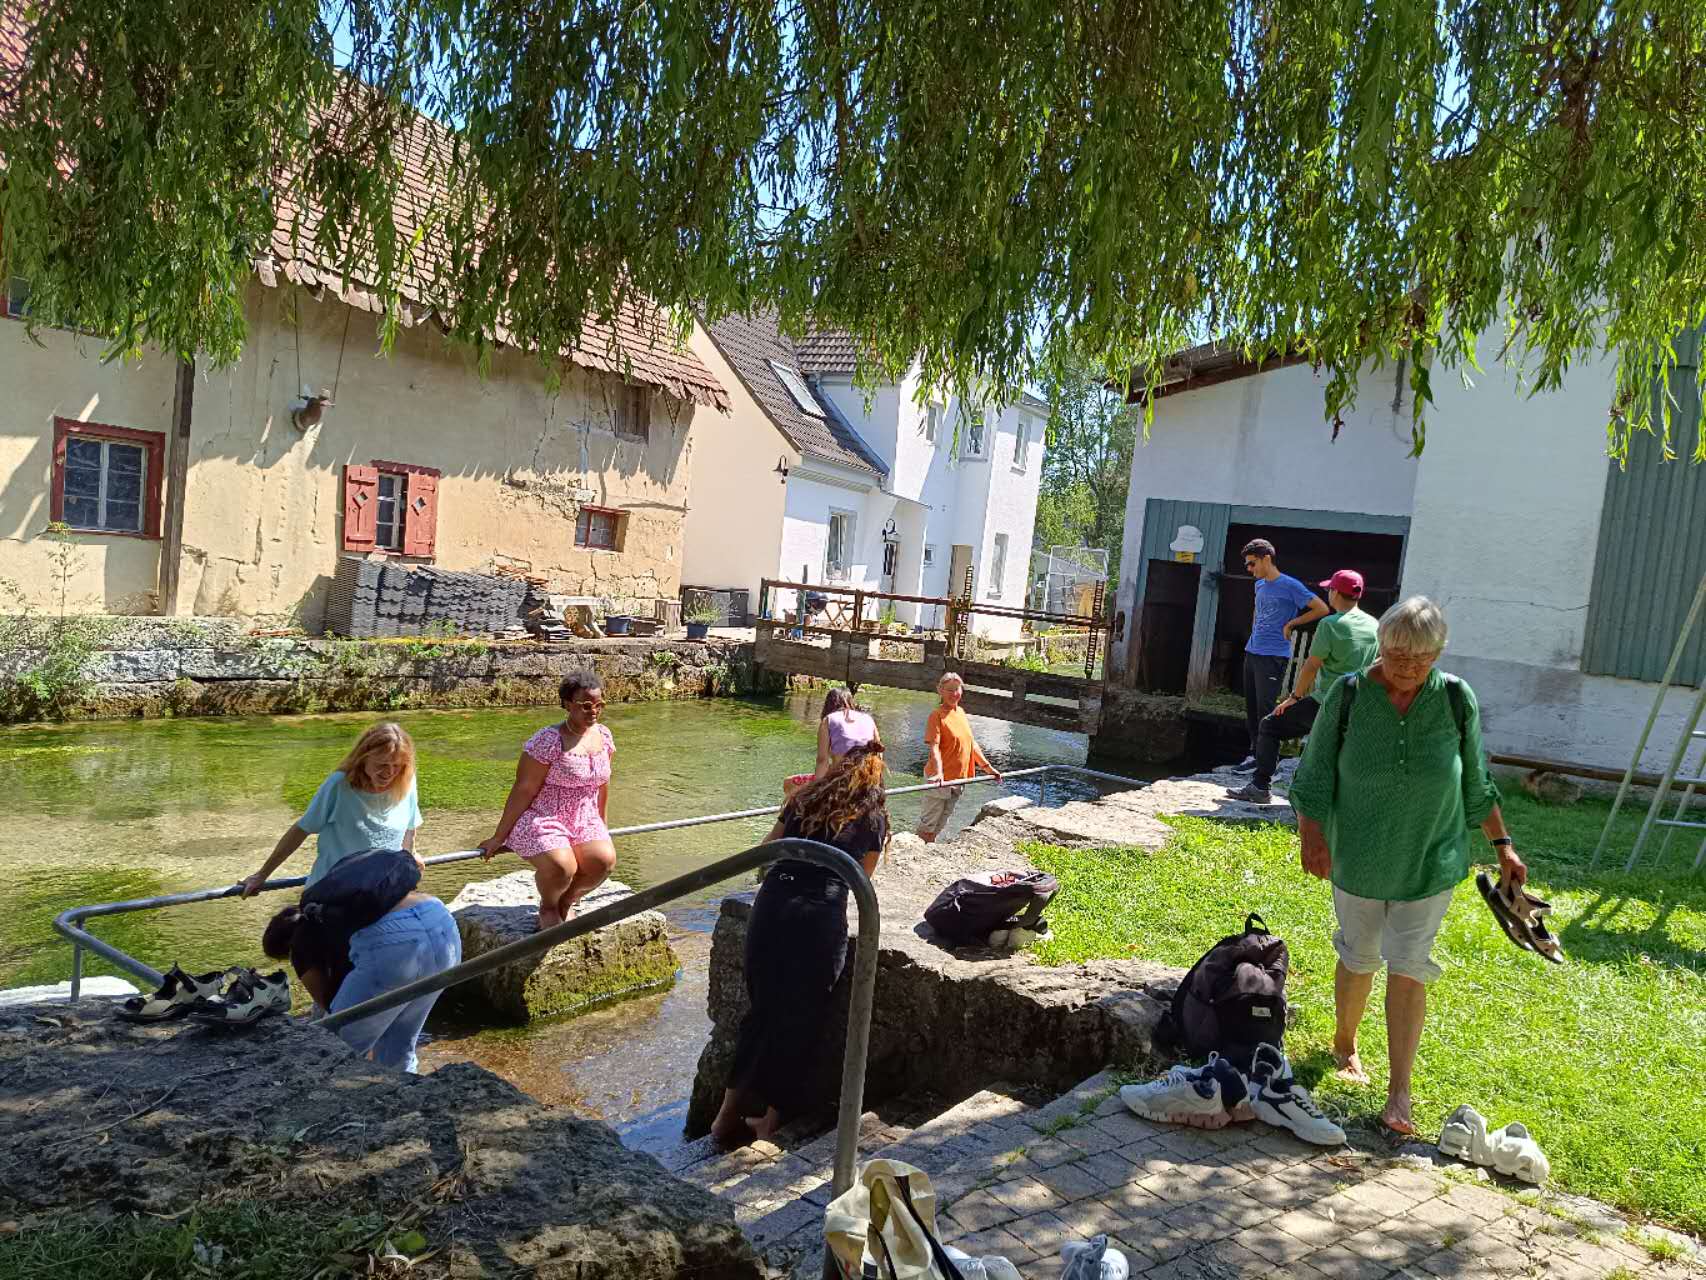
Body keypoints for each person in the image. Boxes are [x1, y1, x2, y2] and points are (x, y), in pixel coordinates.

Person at [1288, 596, 1527, 1139]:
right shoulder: (1349, 694)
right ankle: (1345, 1043)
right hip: (1360, 852)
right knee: (1359, 954)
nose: (1409, 668)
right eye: (1398, 656)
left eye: (1422, 659)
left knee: (1410, 963)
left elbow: (1476, 780)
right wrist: (1312, 835)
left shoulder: (1456, 698)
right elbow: (1315, 771)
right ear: (1382, 646)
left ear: (1438, 654)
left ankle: (1400, 1090)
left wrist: (1503, 846)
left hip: (1431, 854)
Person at [711, 743, 890, 1147]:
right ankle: (771, 1122)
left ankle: (725, 1116)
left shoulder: (803, 798)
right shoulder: (873, 817)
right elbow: (862, 880)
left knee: (760, 1013)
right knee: (802, 1019)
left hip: (774, 903)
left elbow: (765, 852)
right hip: (820, 914)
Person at [261, 848, 461, 1073]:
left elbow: (332, 1009)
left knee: (335, 1044)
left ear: (285, 946)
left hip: (396, 942)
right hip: (440, 921)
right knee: (398, 1039)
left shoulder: (300, 944)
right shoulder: (328, 911)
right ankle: (403, 1090)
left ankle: (333, 1092)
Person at [479, 674, 617, 929]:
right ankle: (549, 906)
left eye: (599, 705)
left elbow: (603, 784)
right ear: (567, 704)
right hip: (543, 815)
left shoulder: (604, 736)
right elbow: (524, 789)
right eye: (586, 705)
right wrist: (499, 837)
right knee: (562, 868)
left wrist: (602, 825)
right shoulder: (548, 740)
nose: (594, 711)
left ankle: (568, 900)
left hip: (585, 817)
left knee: (604, 861)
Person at [1233, 569, 1381, 804]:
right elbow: (1378, 662)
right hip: (1358, 703)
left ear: (1335, 592)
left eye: (1329, 589)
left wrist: (1294, 697)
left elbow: (1311, 666)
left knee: (1270, 725)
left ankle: (1260, 787)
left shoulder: (1330, 624)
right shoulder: (1374, 625)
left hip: (1328, 701)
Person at [243, 722, 422, 895]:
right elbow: (302, 829)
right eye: (382, 765)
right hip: (334, 894)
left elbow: (410, 825)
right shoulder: (340, 785)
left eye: (397, 766)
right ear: (363, 758)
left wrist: (411, 854)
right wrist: (262, 875)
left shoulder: (406, 780)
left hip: (381, 894)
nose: (389, 773)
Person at [1234, 539, 1328, 771]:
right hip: (1253, 651)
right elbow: (1257, 611)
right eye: (1247, 565)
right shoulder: (1259, 585)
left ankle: (1267, 762)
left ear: (1266, 558)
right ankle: (1254, 754)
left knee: (1266, 708)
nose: (1249, 569)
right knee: (1252, 707)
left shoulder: (1290, 585)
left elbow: (1321, 608)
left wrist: (1292, 623)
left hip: (1273, 655)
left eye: (1252, 563)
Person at [917, 672, 1002, 843]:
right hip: (940, 781)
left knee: (941, 824)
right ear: (940, 690)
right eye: (949, 690)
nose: (954, 694)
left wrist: (988, 768)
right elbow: (934, 748)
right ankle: (915, 852)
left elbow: (971, 745)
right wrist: (939, 773)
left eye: (957, 689)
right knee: (928, 826)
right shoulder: (936, 715)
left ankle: (928, 851)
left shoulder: (961, 712)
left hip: (959, 780)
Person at [784, 687, 883, 796]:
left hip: (842, 780)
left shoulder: (828, 720)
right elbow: (879, 754)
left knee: (788, 783)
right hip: (867, 779)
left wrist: (817, 791)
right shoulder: (868, 719)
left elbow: (822, 760)